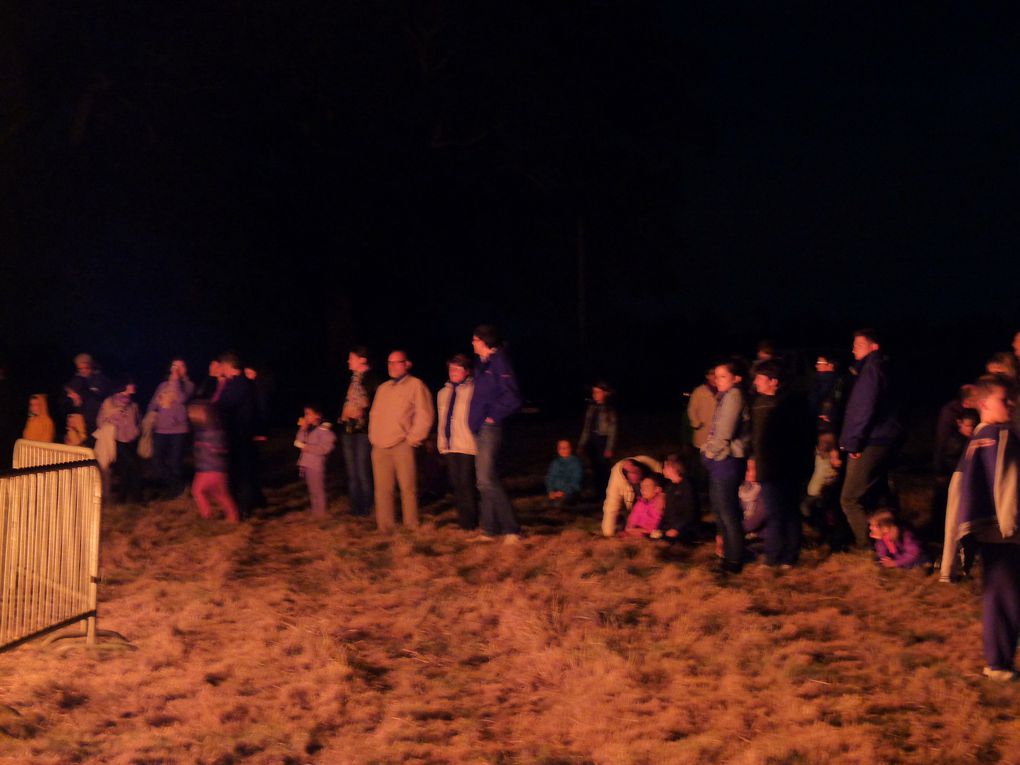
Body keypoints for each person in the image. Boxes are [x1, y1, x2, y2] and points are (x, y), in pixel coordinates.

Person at [944, 375, 1020, 681]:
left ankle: (999, 661)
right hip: (1006, 532)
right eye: (1006, 399)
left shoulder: (977, 438)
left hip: (990, 531)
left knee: (1002, 595)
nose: (1012, 405)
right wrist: (1011, 524)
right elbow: (1009, 485)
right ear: (985, 403)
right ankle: (998, 663)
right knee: (1004, 598)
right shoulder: (1000, 436)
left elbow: (959, 485)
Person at [838, 329, 902, 548]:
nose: (853, 349)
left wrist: (853, 442)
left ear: (874, 346)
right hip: (884, 438)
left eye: (859, 344)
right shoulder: (881, 367)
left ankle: (867, 545)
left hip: (871, 441)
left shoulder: (872, 370)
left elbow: (862, 408)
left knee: (850, 498)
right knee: (875, 493)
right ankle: (890, 539)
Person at [749, 361, 813, 568]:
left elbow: (801, 438)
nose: (756, 382)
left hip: (787, 467)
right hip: (766, 468)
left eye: (760, 378)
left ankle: (787, 557)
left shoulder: (791, 404)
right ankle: (773, 555)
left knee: (789, 512)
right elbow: (756, 438)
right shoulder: (759, 404)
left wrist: (799, 465)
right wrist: (753, 461)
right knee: (774, 512)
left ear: (773, 381)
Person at [368, 350, 434, 533]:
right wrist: (373, 437)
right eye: (390, 362)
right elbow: (375, 414)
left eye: (397, 362)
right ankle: (385, 526)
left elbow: (425, 414)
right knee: (382, 489)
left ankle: (410, 526)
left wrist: (413, 438)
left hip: (402, 444)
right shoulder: (383, 388)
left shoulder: (416, 385)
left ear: (407, 364)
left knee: (408, 488)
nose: (392, 366)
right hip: (380, 445)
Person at [468, 325, 524, 543]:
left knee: (486, 479)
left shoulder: (500, 361)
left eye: (474, 339)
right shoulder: (483, 364)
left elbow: (513, 396)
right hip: (479, 428)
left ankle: (512, 529)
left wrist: (492, 416)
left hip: (490, 428)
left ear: (484, 341)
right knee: (484, 480)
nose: (472, 343)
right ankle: (489, 530)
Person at [701, 359, 750, 573]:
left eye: (722, 376)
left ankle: (734, 561)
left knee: (728, 512)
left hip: (727, 460)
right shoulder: (725, 397)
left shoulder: (734, 396)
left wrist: (710, 454)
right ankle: (727, 556)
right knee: (721, 512)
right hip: (722, 459)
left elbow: (725, 433)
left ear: (736, 378)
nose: (716, 380)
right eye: (716, 375)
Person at [214, 352, 260, 519]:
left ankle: (243, 507)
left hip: (240, 433)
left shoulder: (239, 384)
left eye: (223, 367)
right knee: (239, 471)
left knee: (241, 471)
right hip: (238, 432)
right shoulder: (239, 383)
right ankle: (240, 505)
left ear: (228, 366)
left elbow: (222, 403)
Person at [436, 353, 478, 529]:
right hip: (450, 444)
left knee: (466, 482)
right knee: (456, 483)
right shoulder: (443, 393)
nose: (453, 372)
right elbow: (442, 419)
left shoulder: (473, 390)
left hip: (467, 444)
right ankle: (463, 519)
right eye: (451, 368)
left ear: (466, 371)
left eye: (457, 368)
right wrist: (441, 441)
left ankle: (471, 521)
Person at [339, 346, 380, 517]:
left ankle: (367, 506)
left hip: (363, 431)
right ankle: (355, 507)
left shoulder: (372, 380)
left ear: (362, 360)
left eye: (352, 358)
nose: (349, 361)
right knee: (352, 471)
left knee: (363, 469)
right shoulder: (351, 380)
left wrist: (363, 410)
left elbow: (375, 405)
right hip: (348, 429)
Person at [147, 358, 194, 498]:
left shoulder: (188, 385)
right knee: (157, 461)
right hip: (161, 429)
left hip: (178, 430)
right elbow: (153, 404)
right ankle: (178, 486)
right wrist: (152, 416)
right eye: (174, 366)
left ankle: (176, 493)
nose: (177, 369)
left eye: (181, 366)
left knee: (175, 462)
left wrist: (175, 381)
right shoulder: (162, 385)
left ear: (185, 370)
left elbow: (181, 399)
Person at [187, 401, 239, 523]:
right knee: (218, 494)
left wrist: (208, 448)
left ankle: (208, 515)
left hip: (213, 467)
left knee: (198, 490)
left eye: (192, 413)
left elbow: (221, 448)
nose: (189, 415)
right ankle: (232, 516)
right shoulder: (202, 429)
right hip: (205, 467)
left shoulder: (214, 430)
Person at [97, 381, 142, 503]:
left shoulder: (133, 403)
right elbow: (101, 421)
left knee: (125, 469)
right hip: (116, 440)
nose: (135, 387)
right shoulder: (110, 402)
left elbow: (138, 420)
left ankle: (123, 498)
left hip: (131, 440)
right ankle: (137, 498)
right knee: (135, 466)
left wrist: (137, 431)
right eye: (132, 384)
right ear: (125, 386)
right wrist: (112, 422)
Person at [601, 455, 662, 536]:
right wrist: (608, 533)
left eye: (637, 475)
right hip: (637, 519)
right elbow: (611, 506)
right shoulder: (617, 479)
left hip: (652, 524)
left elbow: (666, 485)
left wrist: (662, 496)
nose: (641, 489)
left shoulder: (654, 467)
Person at [294, 404, 336, 519]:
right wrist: (302, 428)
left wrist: (308, 448)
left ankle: (321, 513)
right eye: (305, 414)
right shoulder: (308, 429)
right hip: (307, 464)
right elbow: (299, 440)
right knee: (312, 490)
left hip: (316, 465)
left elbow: (325, 448)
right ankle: (315, 511)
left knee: (318, 489)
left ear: (317, 415)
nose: (305, 417)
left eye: (308, 414)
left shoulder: (324, 431)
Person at [578, 381, 617, 497]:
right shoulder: (591, 408)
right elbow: (586, 427)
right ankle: (597, 492)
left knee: (604, 467)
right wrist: (581, 444)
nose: (595, 394)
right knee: (594, 467)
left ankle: (607, 492)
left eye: (598, 392)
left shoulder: (610, 410)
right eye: (594, 392)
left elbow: (613, 431)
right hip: (592, 440)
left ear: (605, 393)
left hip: (602, 440)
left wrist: (609, 447)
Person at [63, 353, 111, 445]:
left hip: (95, 421)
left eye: (86, 368)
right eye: (80, 369)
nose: (83, 371)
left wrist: (85, 392)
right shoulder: (76, 380)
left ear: (91, 366)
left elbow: (101, 398)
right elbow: (69, 400)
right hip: (79, 421)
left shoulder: (100, 380)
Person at [657, 454, 698, 542]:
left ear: (674, 468)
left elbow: (690, 512)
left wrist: (677, 529)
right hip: (671, 526)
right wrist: (659, 526)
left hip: (685, 528)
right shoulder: (670, 487)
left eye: (665, 467)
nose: (663, 470)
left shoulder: (687, 486)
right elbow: (667, 511)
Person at [687, 368, 716, 451]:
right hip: (703, 429)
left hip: (718, 432)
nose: (714, 376)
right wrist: (696, 423)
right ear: (707, 376)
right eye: (711, 373)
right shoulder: (699, 391)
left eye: (715, 373)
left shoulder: (723, 390)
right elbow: (691, 409)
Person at [545, 439, 583, 505]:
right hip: (556, 492)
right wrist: (550, 491)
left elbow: (576, 482)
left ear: (570, 449)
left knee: (560, 503)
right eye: (560, 448)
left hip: (570, 492)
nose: (563, 450)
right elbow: (550, 478)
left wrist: (564, 492)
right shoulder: (555, 463)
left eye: (565, 448)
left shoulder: (575, 463)